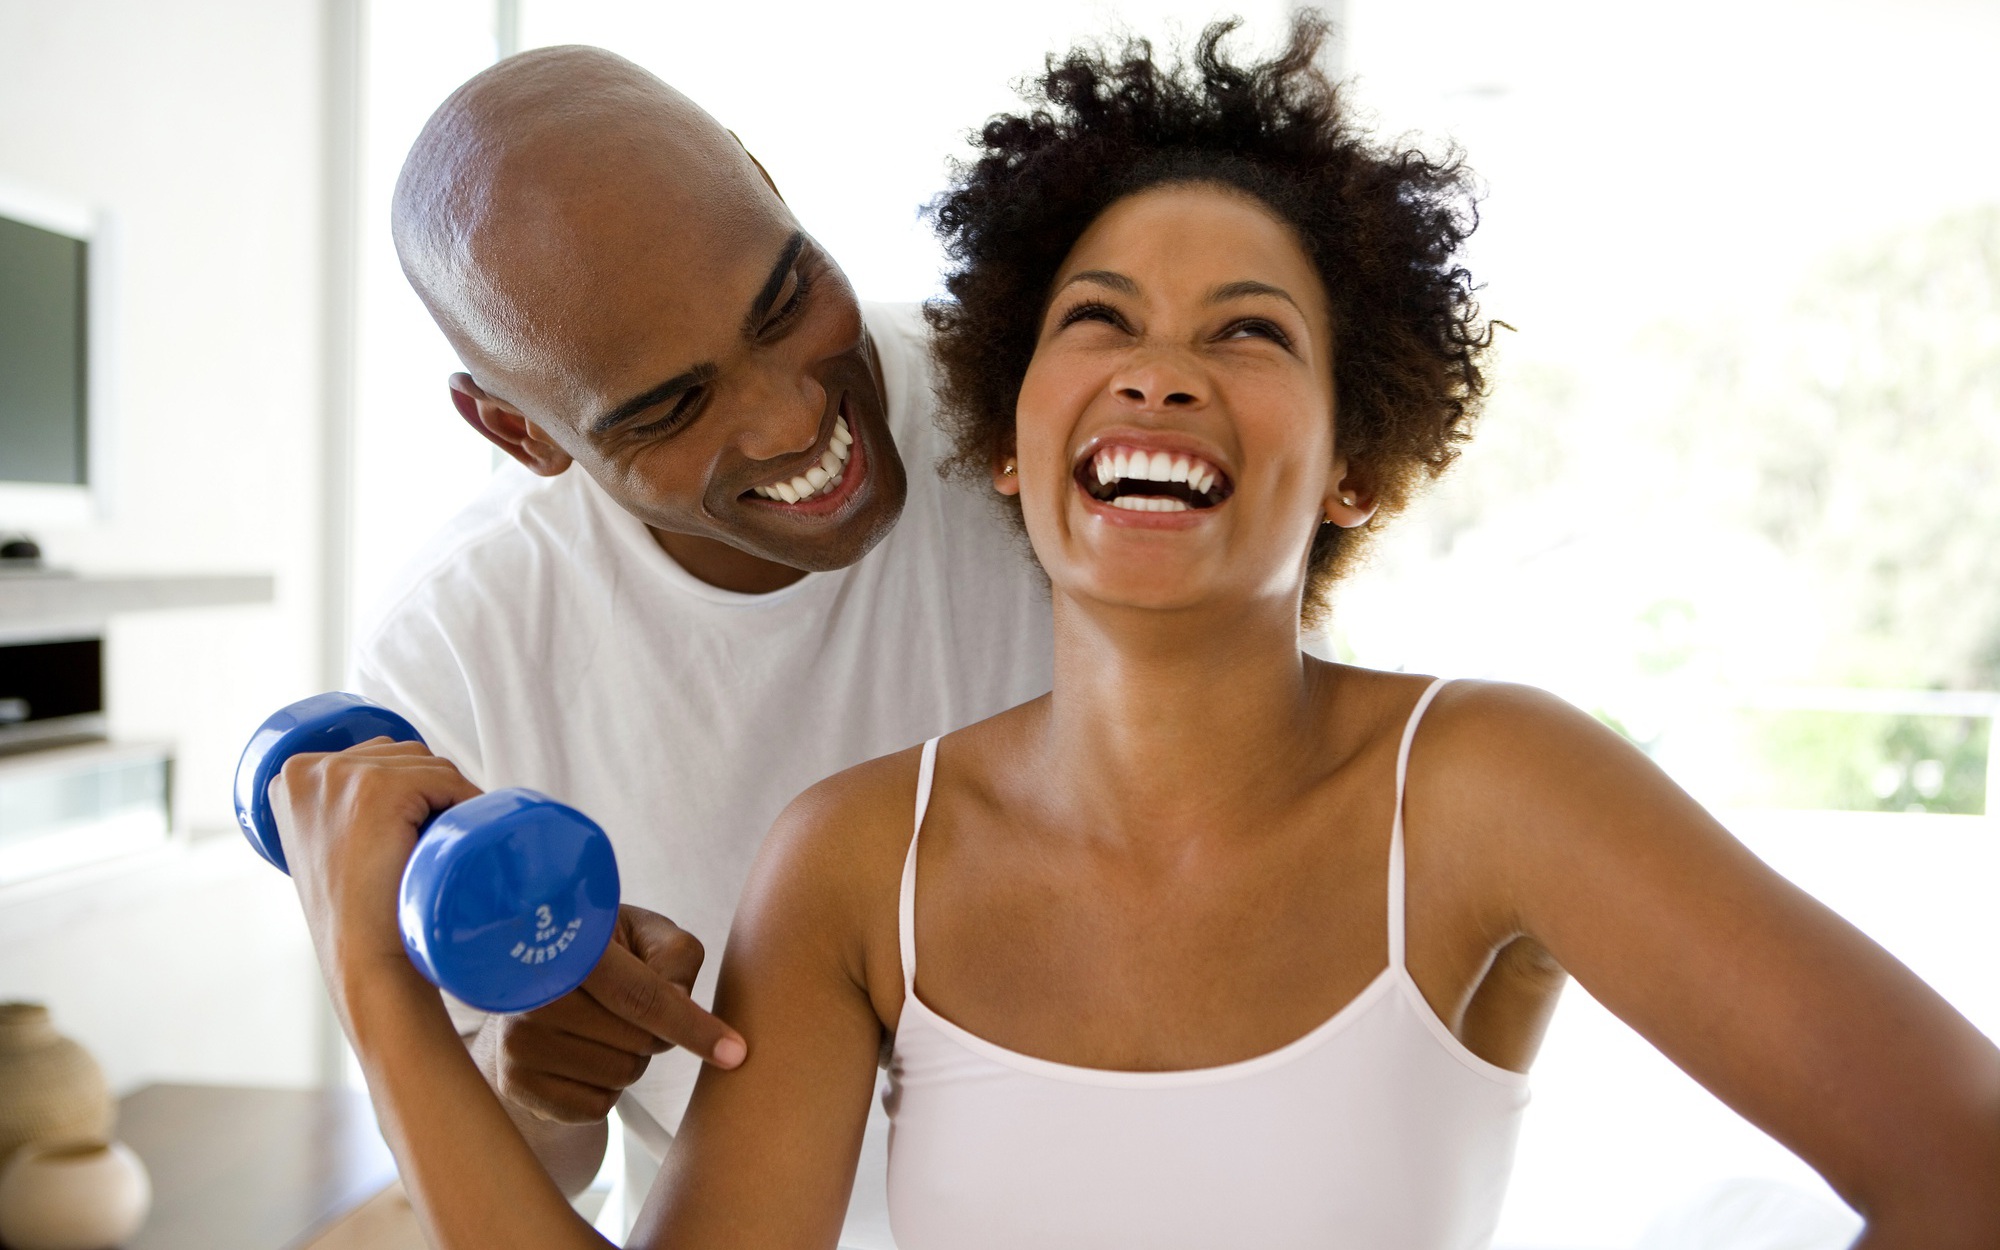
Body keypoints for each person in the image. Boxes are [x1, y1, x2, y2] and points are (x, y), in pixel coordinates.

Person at [276, 16, 2000, 1249]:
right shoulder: (840, 855)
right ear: (1014, 429)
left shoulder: (1490, 783)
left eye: (1248, 332)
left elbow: (1966, 1164)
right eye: (1100, 321)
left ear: (1357, 462)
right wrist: (409, 1005)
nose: (1162, 368)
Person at [353, 43, 1052, 1238]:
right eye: (668, 407)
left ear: (767, 179)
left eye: (784, 302)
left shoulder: (1044, 422)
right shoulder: (453, 654)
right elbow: (525, 1175)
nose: (792, 416)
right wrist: (539, 1077)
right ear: (518, 431)